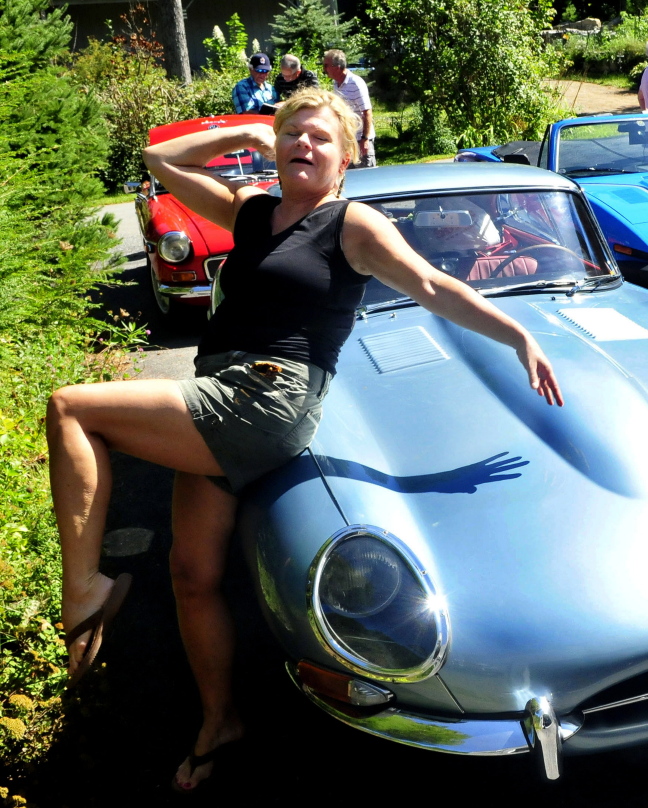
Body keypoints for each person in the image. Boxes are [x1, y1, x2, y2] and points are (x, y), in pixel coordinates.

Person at [48, 87, 563, 794]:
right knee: (191, 575)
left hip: (265, 398)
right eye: (295, 135)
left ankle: (84, 591)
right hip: (214, 391)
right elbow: (157, 161)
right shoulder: (252, 212)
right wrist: (252, 133)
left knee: (72, 408)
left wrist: (518, 335)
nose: (304, 146)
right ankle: (219, 721)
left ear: (347, 156)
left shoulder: (352, 224)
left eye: (322, 138)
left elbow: (431, 285)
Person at [323, 49, 375, 168]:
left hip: (360, 141)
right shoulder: (336, 84)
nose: (324, 69)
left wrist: (365, 139)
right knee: (349, 180)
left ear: (337, 67)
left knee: (366, 177)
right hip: (347, 141)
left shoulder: (355, 83)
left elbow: (367, 111)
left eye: (326, 65)